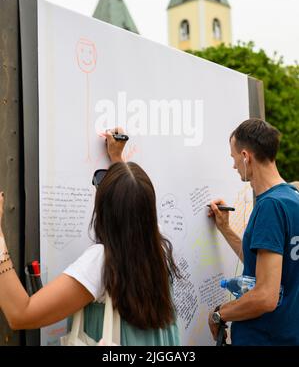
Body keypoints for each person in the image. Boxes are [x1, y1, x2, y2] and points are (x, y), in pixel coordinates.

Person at [0, 128, 180, 346]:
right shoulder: (157, 245)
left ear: (105, 209)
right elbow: (131, 208)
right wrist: (117, 160)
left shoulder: (101, 262)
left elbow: (21, 314)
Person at [207, 118, 299, 346]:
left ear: (246, 156)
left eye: (234, 157)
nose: (234, 165)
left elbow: (266, 297)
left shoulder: (270, 207)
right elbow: (265, 266)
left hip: (265, 337)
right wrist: (226, 229)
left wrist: (220, 313)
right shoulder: (292, 199)